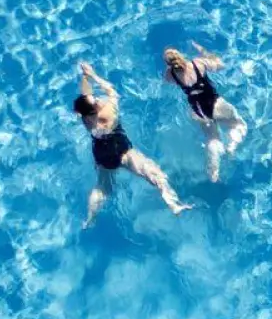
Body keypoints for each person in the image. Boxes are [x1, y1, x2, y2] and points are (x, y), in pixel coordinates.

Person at [74, 61, 191, 227]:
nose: (98, 98)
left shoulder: (84, 118)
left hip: (101, 155)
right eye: (96, 100)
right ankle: (173, 204)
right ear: (95, 108)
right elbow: (112, 91)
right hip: (121, 150)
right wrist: (94, 76)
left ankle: (90, 218)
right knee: (155, 174)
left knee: (102, 188)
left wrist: (85, 77)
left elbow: (85, 98)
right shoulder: (108, 111)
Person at [163, 44, 247, 182]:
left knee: (213, 138)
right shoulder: (198, 64)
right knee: (239, 125)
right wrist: (204, 52)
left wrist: (171, 68)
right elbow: (220, 64)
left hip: (198, 112)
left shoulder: (171, 75)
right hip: (215, 104)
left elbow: (166, 79)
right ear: (181, 55)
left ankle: (214, 172)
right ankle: (231, 146)